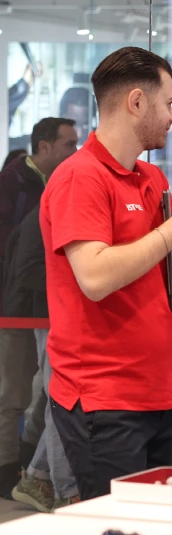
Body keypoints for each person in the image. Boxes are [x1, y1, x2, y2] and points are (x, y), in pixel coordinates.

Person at [42, 47, 172, 501]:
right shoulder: (82, 177)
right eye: (169, 103)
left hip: (157, 391)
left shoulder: (151, 178)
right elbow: (93, 277)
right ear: (136, 102)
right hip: (103, 397)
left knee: (151, 529)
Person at [0, 117, 79, 497]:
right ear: (44, 147)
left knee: (45, 398)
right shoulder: (17, 185)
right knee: (19, 396)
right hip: (28, 310)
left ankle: (32, 473)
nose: (75, 152)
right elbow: (24, 264)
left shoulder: (53, 188)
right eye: (68, 144)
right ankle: (21, 478)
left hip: (46, 312)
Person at [7, 204, 78, 511]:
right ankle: (65, 491)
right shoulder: (42, 215)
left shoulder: (60, 212)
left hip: (64, 320)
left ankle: (37, 477)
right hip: (50, 321)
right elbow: (28, 272)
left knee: (59, 405)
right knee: (61, 405)